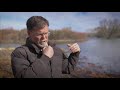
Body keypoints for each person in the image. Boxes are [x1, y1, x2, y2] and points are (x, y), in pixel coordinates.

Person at [11, 16, 80, 78]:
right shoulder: (20, 53)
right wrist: (45, 58)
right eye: (39, 34)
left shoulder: (56, 49)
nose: (44, 38)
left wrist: (75, 54)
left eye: (46, 33)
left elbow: (67, 69)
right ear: (29, 33)